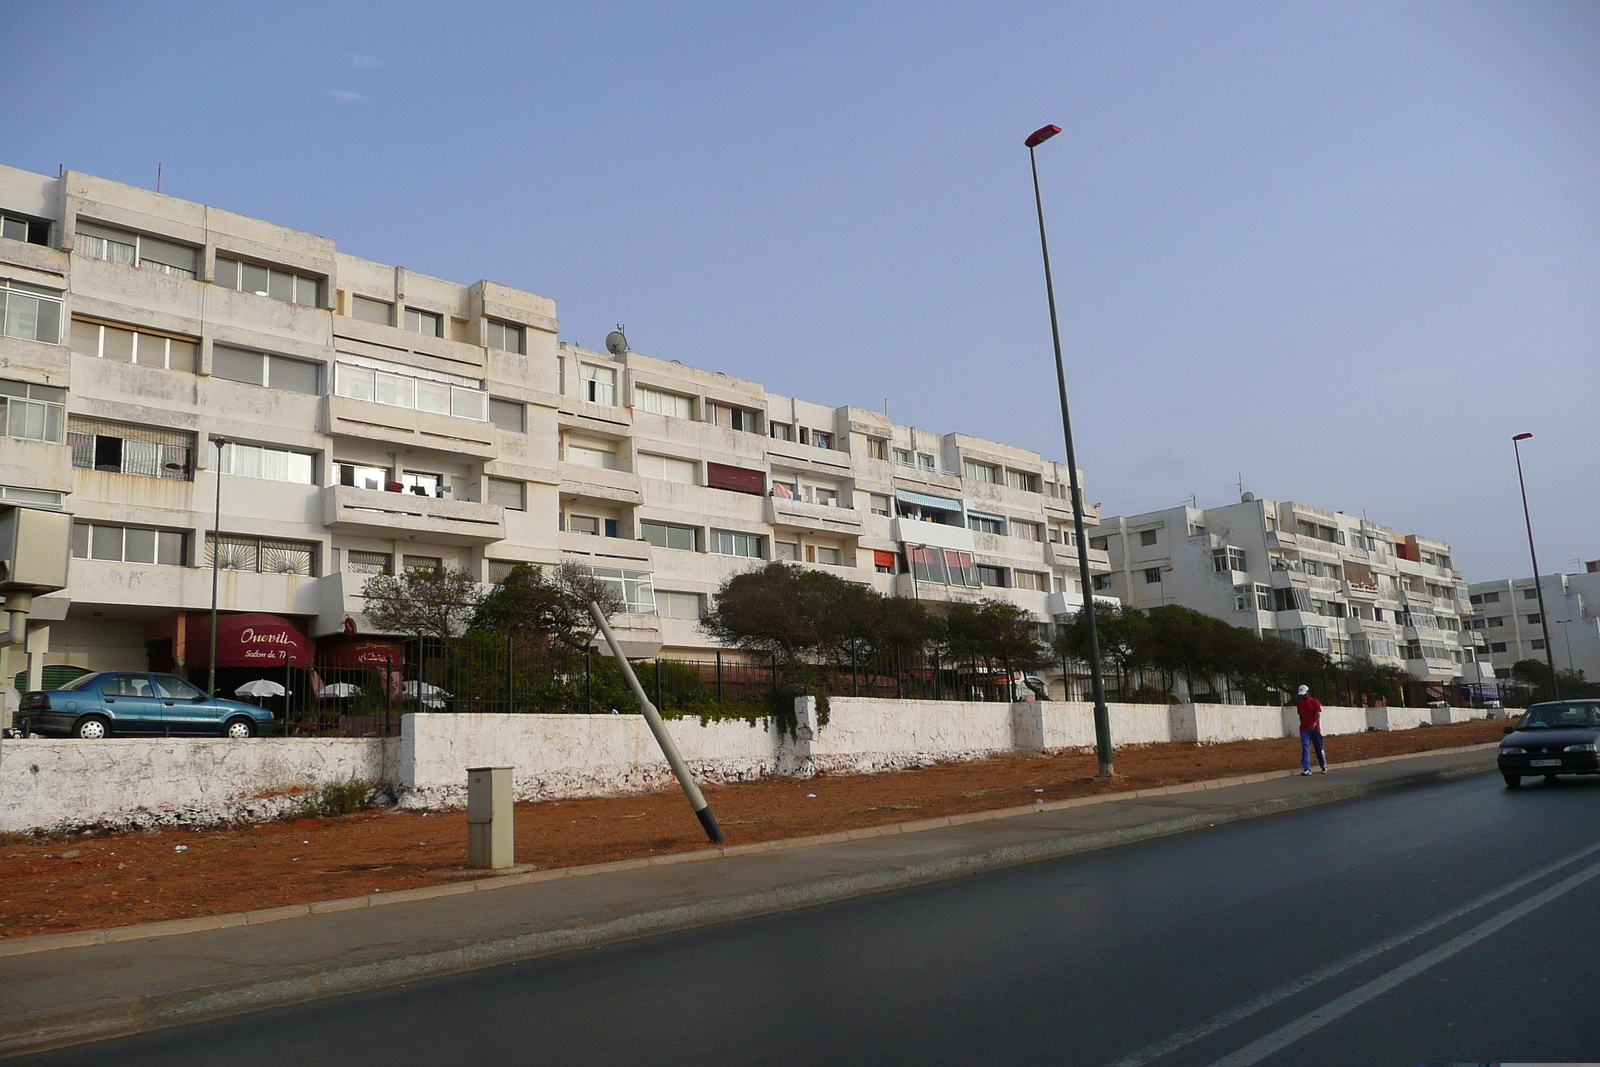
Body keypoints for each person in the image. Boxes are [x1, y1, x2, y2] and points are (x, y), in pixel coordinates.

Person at [1296, 684, 1326, 775]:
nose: (1302, 697)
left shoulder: (1315, 702)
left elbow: (1318, 715)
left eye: (1304, 694)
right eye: (1301, 695)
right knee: (1305, 748)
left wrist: (1314, 724)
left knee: (1319, 748)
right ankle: (1307, 768)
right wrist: (1303, 724)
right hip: (1304, 729)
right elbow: (1300, 716)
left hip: (1315, 729)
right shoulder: (1299, 704)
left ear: (1308, 693)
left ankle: (1323, 766)